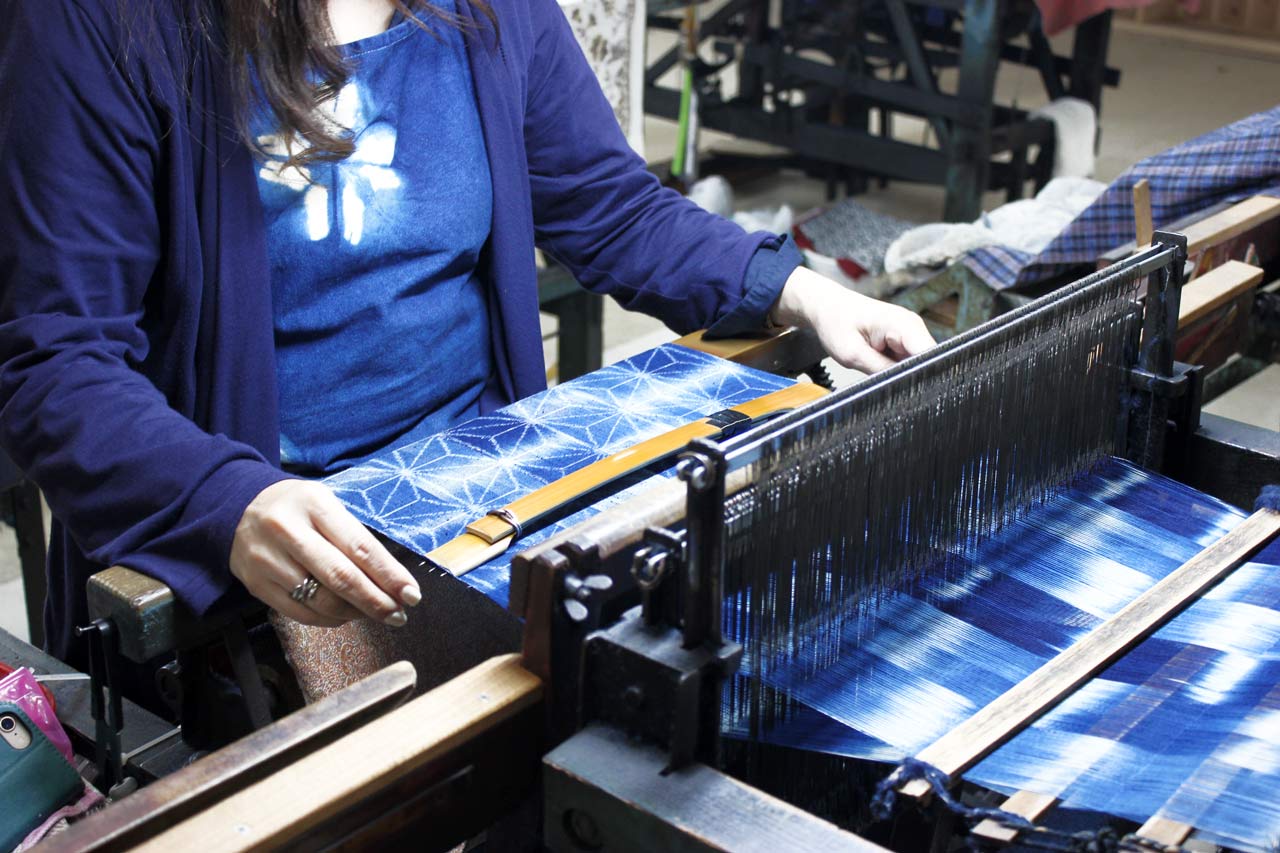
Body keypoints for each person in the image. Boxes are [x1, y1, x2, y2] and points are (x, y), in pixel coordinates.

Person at [0, 0, 934, 669]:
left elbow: (609, 209)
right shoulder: (98, 24)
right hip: (280, 557)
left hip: (479, 503)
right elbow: (55, 363)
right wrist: (226, 502)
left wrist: (799, 292)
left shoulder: (484, 11)